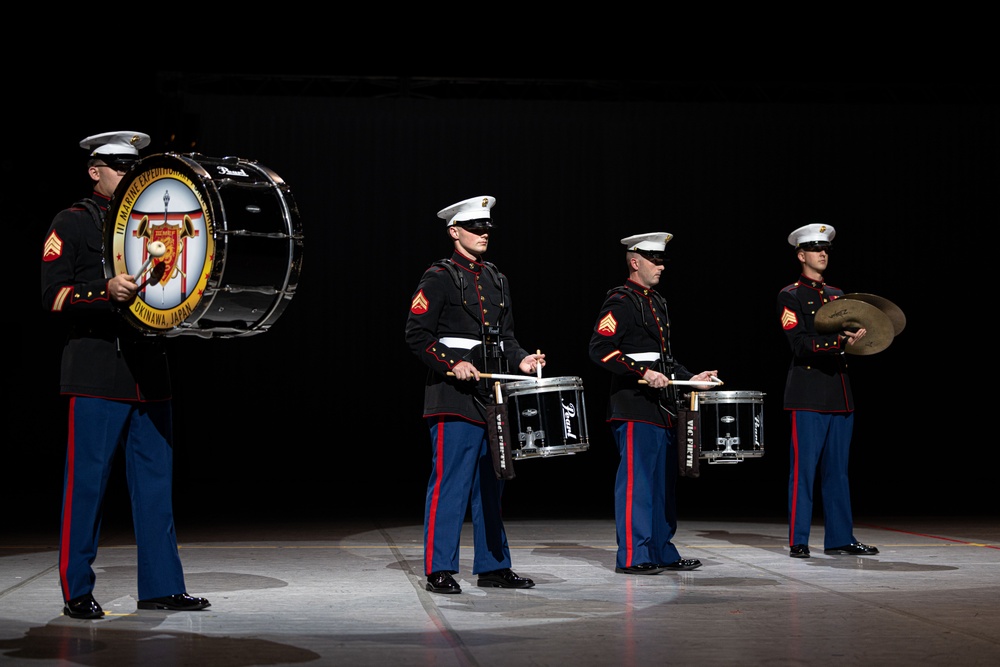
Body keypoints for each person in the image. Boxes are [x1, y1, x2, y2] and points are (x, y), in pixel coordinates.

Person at [40, 131, 210, 619]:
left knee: (156, 486)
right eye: (119, 166)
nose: (129, 174)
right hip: (96, 370)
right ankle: (76, 590)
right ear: (95, 170)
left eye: (134, 166)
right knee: (87, 485)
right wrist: (101, 290)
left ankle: (161, 585)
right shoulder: (71, 222)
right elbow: (53, 295)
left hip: (149, 370)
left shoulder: (152, 222)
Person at [404, 195, 544, 594]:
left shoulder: (497, 279)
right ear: (455, 232)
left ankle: (494, 566)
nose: (483, 234)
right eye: (475, 228)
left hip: (492, 396)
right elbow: (417, 335)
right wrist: (452, 363)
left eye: (487, 229)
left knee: (493, 484)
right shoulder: (438, 276)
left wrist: (523, 361)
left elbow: (508, 338)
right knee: (451, 483)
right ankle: (439, 568)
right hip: (453, 397)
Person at [589, 232, 718, 575]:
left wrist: (693, 378)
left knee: (663, 485)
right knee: (638, 484)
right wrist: (640, 371)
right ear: (635, 262)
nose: (661, 266)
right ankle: (634, 555)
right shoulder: (620, 300)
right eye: (654, 260)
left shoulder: (656, 302)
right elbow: (600, 349)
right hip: (634, 406)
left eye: (662, 260)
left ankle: (662, 550)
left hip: (661, 407)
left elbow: (666, 361)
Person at [777, 223, 878, 559]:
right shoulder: (790, 295)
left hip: (839, 392)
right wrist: (838, 341)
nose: (823, 254)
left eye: (826, 249)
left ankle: (840, 537)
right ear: (801, 254)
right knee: (803, 471)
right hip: (807, 395)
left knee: (838, 471)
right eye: (816, 249)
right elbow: (800, 345)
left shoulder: (837, 295)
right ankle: (799, 539)